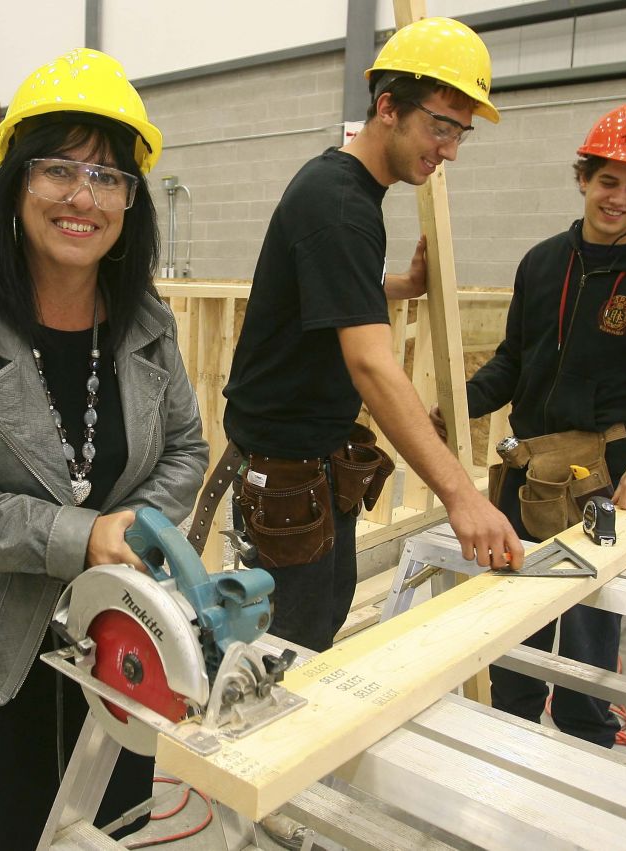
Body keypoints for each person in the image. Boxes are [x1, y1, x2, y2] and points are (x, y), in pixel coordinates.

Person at [0, 48, 206, 849]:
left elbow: (187, 449)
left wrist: (131, 528)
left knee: (112, 824)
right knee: (1, 829)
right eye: (59, 169)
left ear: (131, 201)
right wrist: (81, 534)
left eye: (108, 178)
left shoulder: (146, 323)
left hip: (119, 638)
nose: (83, 197)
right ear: (18, 184)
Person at [218, 17, 522, 655]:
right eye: (442, 125)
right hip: (287, 466)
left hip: (308, 457)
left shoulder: (346, 192)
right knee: (286, 657)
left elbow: (328, 281)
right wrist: (461, 495)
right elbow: (374, 366)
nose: (451, 149)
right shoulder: (340, 205)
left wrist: (396, 286)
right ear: (388, 107)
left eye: (460, 132)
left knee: (314, 630)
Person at [453, 100, 626, 747]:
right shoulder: (543, 263)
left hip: (609, 483)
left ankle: (585, 747)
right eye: (608, 181)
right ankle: (510, 751)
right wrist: (456, 405)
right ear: (583, 178)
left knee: (590, 642)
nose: (618, 198)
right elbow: (516, 360)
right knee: (514, 626)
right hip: (530, 477)